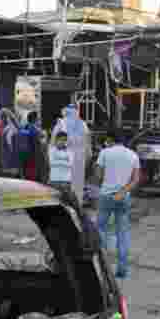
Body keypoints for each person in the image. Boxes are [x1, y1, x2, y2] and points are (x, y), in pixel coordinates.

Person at [94, 128, 141, 279]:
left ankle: (102, 268)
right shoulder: (133, 155)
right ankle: (122, 270)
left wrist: (104, 184)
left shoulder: (104, 153)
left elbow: (98, 175)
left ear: (110, 139)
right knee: (122, 233)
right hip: (123, 197)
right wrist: (122, 191)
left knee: (101, 230)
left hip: (106, 196)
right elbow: (135, 180)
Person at [62, 104, 92, 205]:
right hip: (80, 157)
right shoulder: (83, 124)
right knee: (78, 181)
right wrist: (89, 154)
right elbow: (88, 141)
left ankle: (68, 202)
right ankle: (77, 202)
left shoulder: (63, 123)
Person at [48, 132, 73, 200]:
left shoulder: (70, 151)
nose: (62, 142)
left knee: (65, 201)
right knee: (54, 201)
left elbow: (71, 164)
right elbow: (51, 163)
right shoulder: (51, 150)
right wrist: (65, 161)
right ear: (56, 140)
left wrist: (58, 160)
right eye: (61, 140)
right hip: (54, 180)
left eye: (64, 140)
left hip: (66, 180)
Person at [18, 112, 43, 180]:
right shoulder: (34, 129)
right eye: (38, 118)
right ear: (34, 119)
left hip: (25, 154)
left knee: (27, 172)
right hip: (33, 154)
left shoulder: (25, 127)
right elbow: (37, 143)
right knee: (32, 174)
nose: (39, 120)